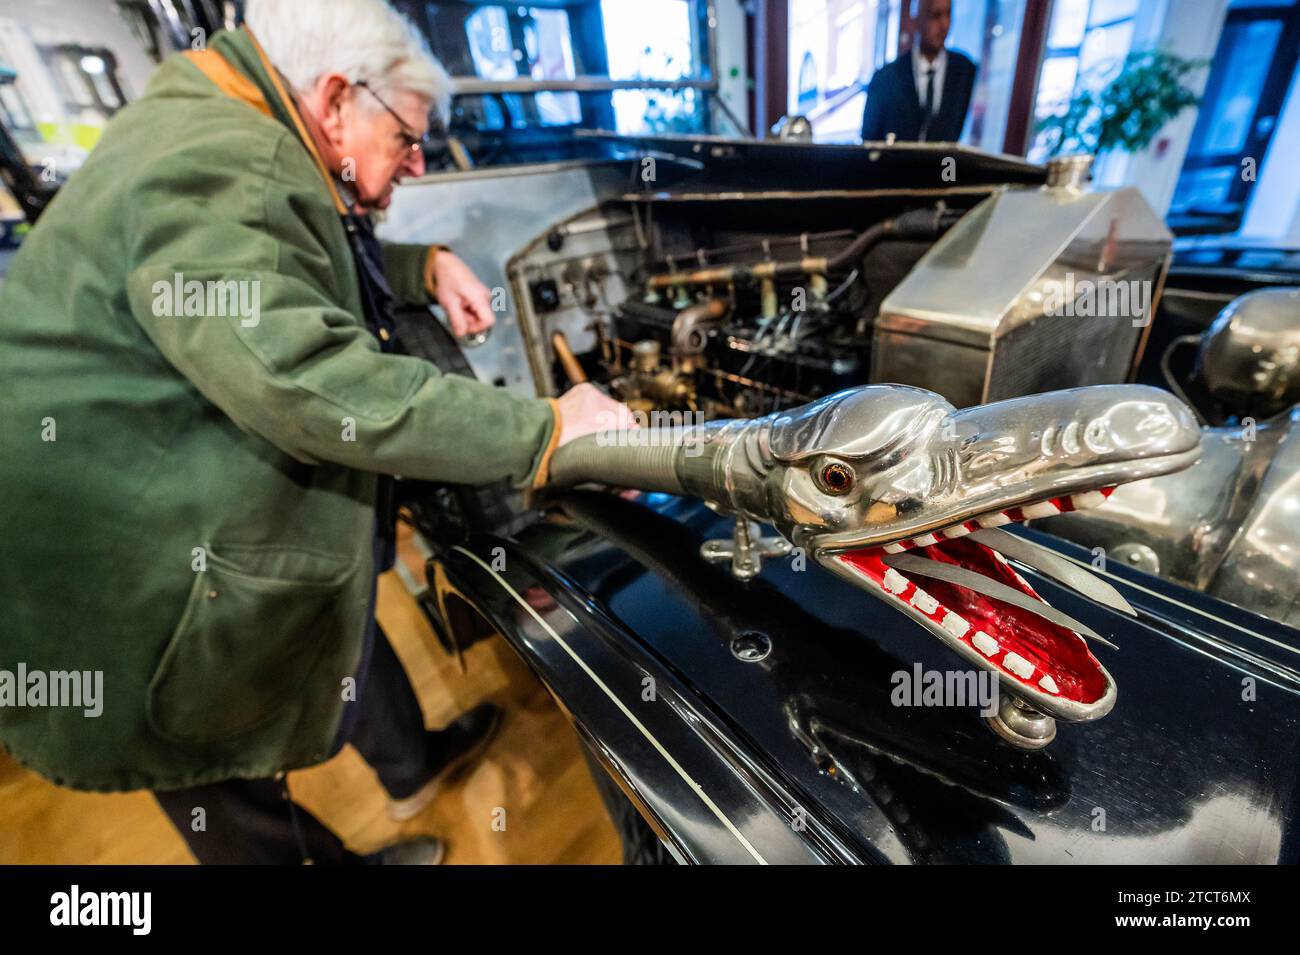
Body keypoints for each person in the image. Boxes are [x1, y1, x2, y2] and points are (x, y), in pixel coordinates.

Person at [0, 0, 633, 863]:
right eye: (407, 140)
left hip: (128, 496)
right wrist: (546, 427)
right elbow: (308, 375)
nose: (414, 164)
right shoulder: (223, 156)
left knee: (334, 617)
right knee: (211, 761)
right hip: (112, 567)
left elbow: (285, 270)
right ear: (336, 99)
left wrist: (421, 264)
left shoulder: (230, 112)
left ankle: (410, 768)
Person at [860, 0, 976, 144]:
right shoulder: (886, 78)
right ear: (916, 21)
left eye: (948, 14)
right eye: (935, 15)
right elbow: (869, 140)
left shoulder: (965, 71)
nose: (944, 24)